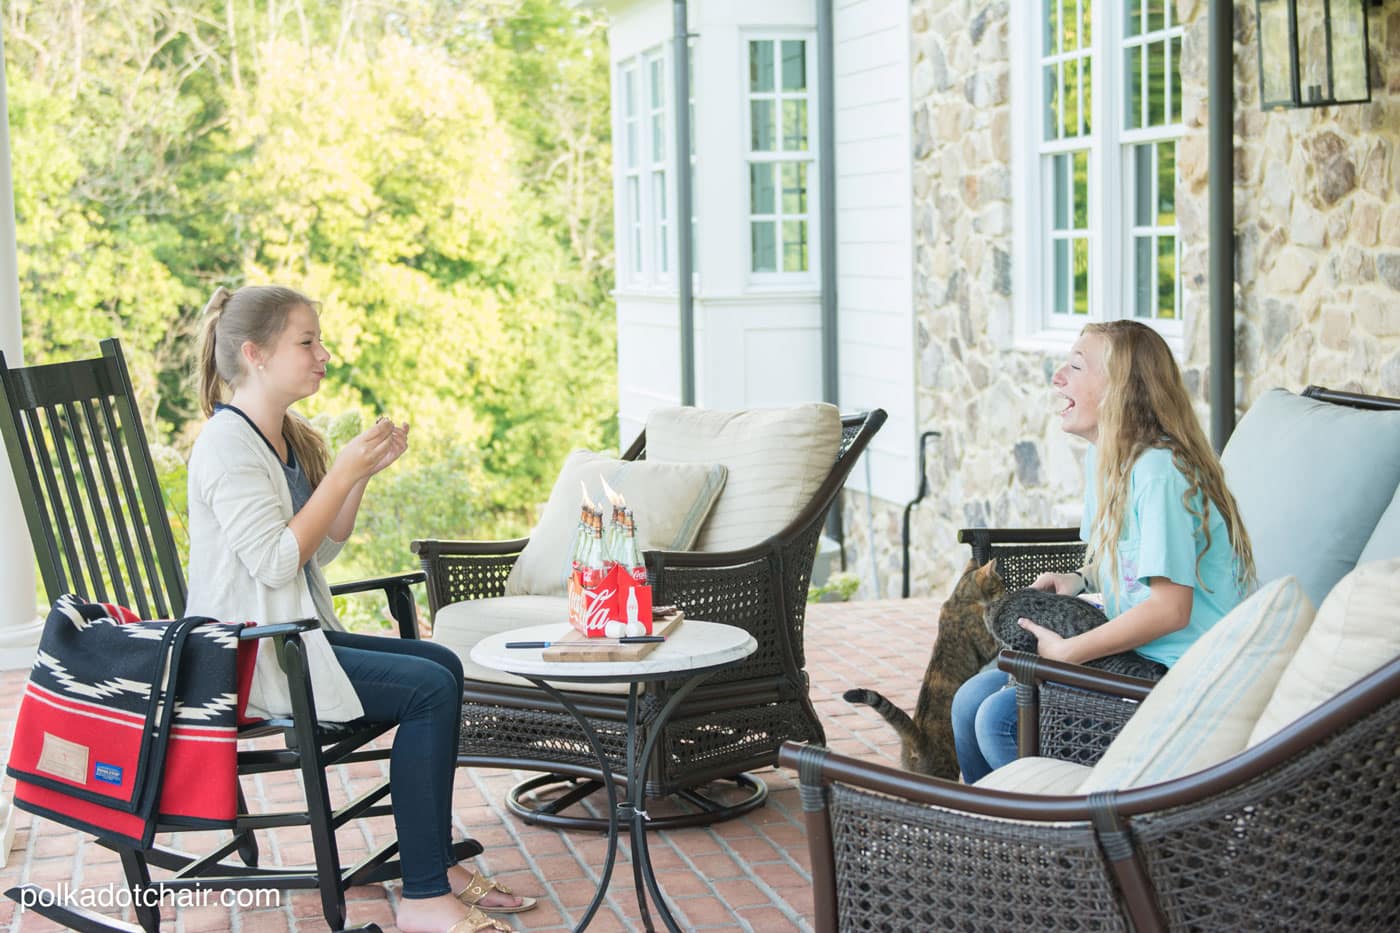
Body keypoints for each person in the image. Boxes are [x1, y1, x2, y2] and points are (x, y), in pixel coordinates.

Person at [186, 285, 535, 933]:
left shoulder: (278, 437)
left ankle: (426, 859)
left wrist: (361, 471)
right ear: (255, 353)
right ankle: (426, 894)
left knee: (439, 663)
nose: (325, 354)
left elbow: (322, 548)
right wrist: (342, 473)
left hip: (294, 641)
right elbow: (275, 561)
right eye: (307, 341)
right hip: (254, 660)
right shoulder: (226, 445)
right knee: (429, 686)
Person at [951, 320, 1256, 784]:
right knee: (970, 700)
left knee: (999, 720)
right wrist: (1080, 579)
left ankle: (1059, 845)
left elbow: (1172, 609)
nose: (1057, 377)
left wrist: (1071, 652)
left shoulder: (1159, 473)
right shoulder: (1107, 460)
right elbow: (1127, 561)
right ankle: (994, 838)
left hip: (1179, 678)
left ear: (1120, 391)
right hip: (1134, 656)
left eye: (1075, 366)